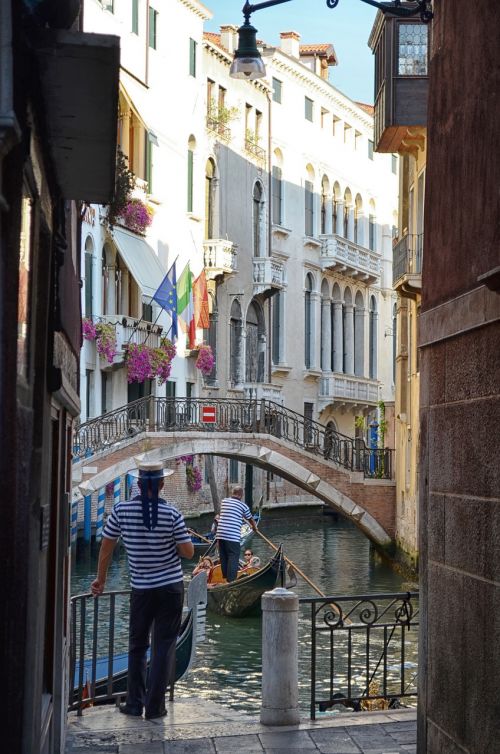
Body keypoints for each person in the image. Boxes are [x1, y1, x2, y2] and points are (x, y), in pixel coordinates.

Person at [90, 460, 194, 720]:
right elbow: (188, 552)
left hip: (142, 590)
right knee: (163, 647)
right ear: (161, 484)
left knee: (137, 646)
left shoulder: (121, 511)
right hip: (170, 588)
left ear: (137, 484)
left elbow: (106, 548)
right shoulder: (172, 514)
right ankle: (155, 707)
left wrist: (100, 581)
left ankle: (134, 703)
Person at [216, 485, 258, 582]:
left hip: (220, 535)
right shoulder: (243, 506)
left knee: (223, 555)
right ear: (241, 495)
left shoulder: (224, 502)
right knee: (233, 556)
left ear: (232, 493)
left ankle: (226, 577)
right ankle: (231, 581)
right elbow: (250, 519)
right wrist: (254, 528)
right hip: (232, 536)